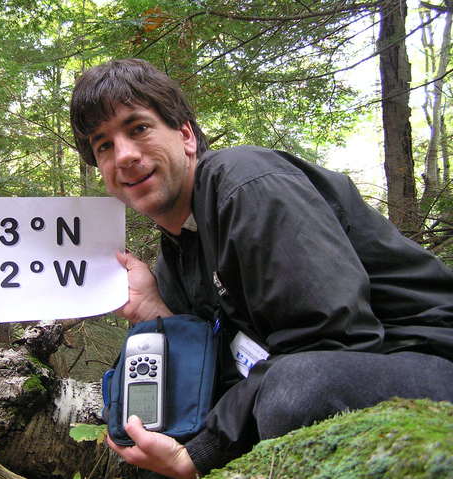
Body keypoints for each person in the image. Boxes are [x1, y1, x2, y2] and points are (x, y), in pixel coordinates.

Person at [69, 58, 453, 479]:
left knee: (297, 390)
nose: (123, 155)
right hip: (336, 372)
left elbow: (334, 339)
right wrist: (154, 311)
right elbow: (210, 374)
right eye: (103, 145)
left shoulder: (245, 183)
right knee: (145, 453)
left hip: (419, 358)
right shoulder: (177, 250)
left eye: (138, 128)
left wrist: (199, 455)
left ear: (185, 136)